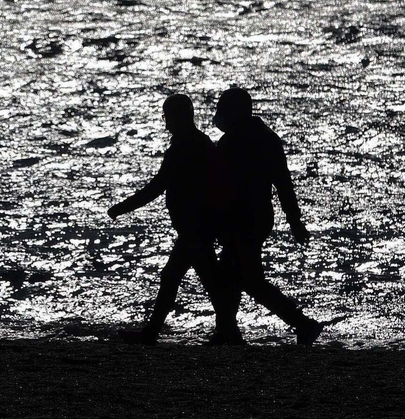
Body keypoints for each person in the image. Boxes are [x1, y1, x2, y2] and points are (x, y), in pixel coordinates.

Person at [107, 93, 232, 344]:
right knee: (194, 279)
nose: (165, 122)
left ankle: (228, 333)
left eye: (167, 116)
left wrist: (121, 208)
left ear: (176, 118)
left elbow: (156, 187)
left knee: (197, 280)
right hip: (199, 226)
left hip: (194, 227)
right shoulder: (202, 143)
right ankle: (226, 332)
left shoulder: (183, 148)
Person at [211, 85, 323, 346]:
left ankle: (303, 324)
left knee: (249, 280)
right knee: (231, 274)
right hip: (258, 217)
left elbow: (222, 186)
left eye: (222, 110)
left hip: (244, 219)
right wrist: (295, 222)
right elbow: (283, 184)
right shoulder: (266, 138)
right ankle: (228, 331)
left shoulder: (235, 141)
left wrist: (295, 223)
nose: (218, 116)